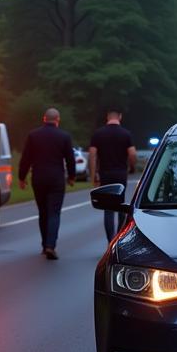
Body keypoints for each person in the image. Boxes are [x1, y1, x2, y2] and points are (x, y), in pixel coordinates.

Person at [18, 107, 75, 259]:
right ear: (58, 120)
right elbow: (70, 158)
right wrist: (71, 177)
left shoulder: (33, 135)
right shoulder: (64, 136)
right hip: (56, 178)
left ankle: (44, 245)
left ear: (44, 119)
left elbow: (26, 158)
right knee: (54, 213)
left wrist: (21, 177)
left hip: (38, 178)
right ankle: (51, 245)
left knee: (43, 212)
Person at [89, 110, 137, 241]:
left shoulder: (98, 134)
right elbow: (132, 153)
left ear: (107, 117)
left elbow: (92, 155)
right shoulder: (126, 134)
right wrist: (132, 167)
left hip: (105, 173)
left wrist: (94, 175)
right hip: (121, 173)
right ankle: (119, 238)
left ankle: (110, 240)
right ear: (120, 117)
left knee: (108, 208)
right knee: (121, 206)